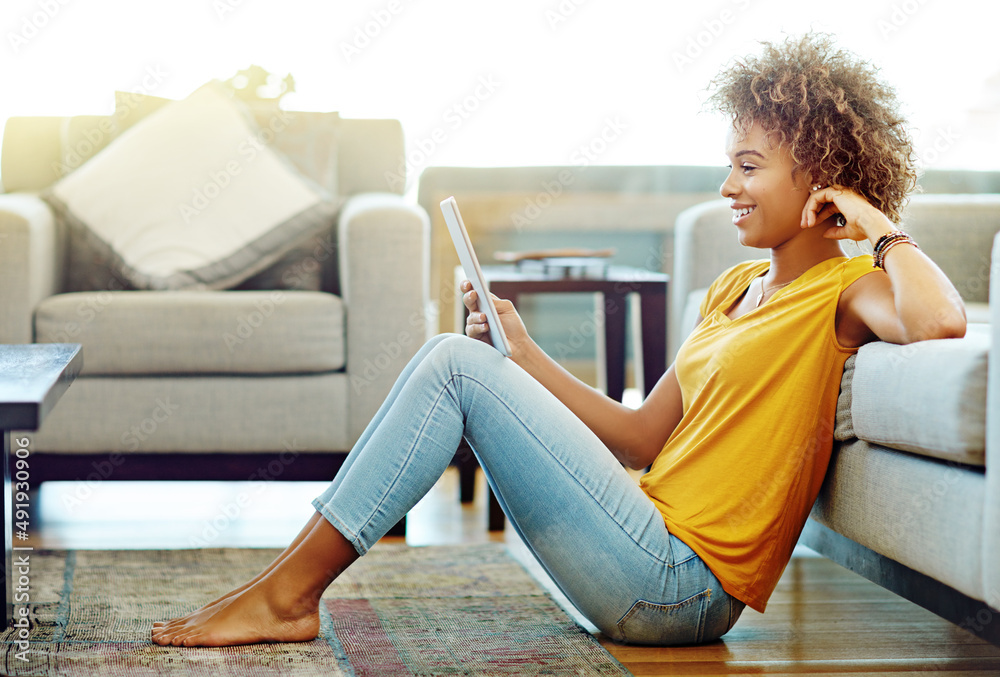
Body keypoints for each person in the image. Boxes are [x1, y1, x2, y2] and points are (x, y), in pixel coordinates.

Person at [151, 33, 966, 648]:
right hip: (643, 541)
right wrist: (525, 354)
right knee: (465, 359)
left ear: (821, 175)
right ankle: (279, 586)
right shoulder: (733, 290)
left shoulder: (849, 290)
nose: (728, 187)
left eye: (748, 168)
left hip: (681, 587)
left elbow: (939, 321)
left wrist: (880, 226)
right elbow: (644, 437)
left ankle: (287, 596)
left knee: (449, 365)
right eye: (730, 165)